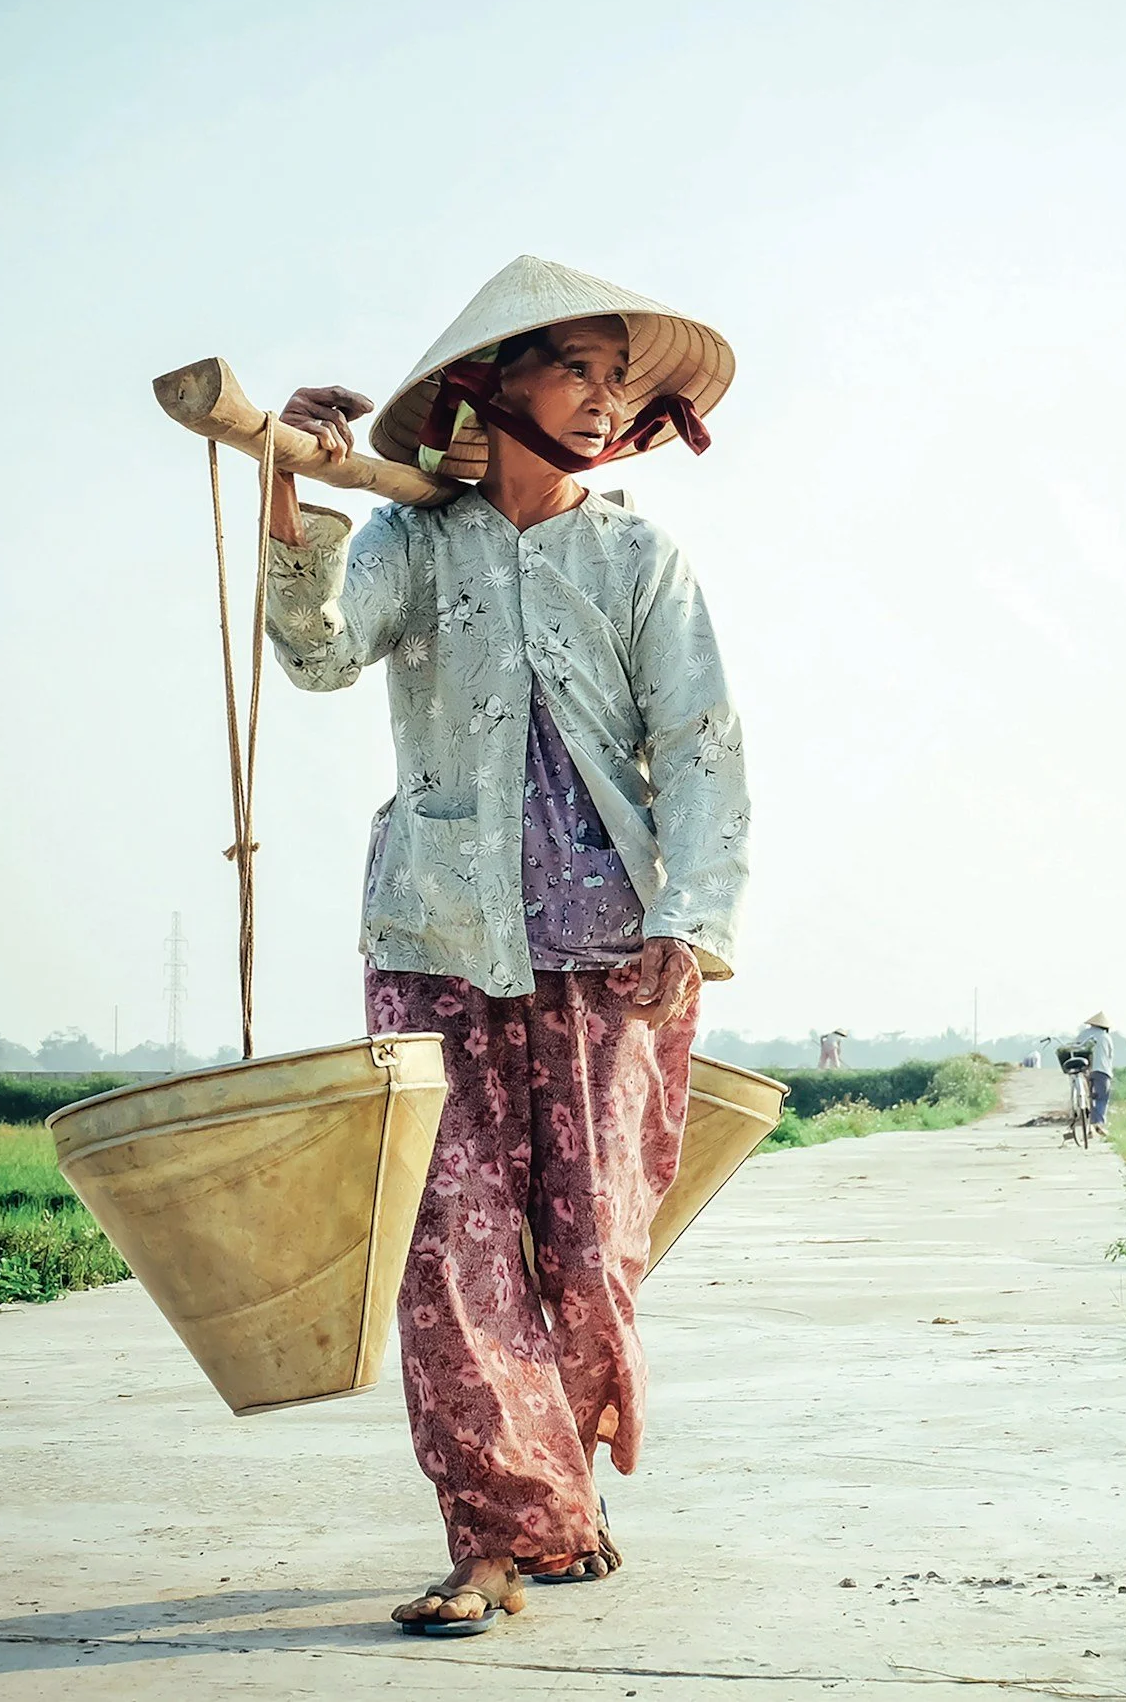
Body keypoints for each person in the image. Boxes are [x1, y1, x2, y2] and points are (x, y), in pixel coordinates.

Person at [261, 255, 749, 1637]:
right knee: (452, 1253)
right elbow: (317, 652)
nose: (602, 399)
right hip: (436, 939)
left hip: (606, 950)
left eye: (616, 378)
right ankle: (490, 1541)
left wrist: (691, 922)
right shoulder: (414, 542)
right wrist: (290, 489)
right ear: (494, 382)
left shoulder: (637, 559)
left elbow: (699, 745)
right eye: (573, 368)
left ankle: (558, 1498)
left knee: (588, 1255)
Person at [1080, 1011, 1116, 1134]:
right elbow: (1110, 1056)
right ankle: (1098, 1123)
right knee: (1101, 1097)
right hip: (1102, 1070)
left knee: (1086, 1098)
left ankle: (1087, 1125)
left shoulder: (1083, 1034)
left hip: (1084, 1069)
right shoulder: (1106, 1037)